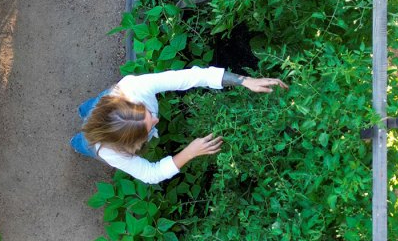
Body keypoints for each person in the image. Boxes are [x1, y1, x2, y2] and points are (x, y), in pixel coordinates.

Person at [72, 66, 287, 184]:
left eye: (148, 113)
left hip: (109, 100)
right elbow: (150, 174)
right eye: (149, 128)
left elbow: (193, 76)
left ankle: (86, 110)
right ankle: (75, 142)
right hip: (102, 124)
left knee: (93, 108)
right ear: (128, 144)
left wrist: (244, 81)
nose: (156, 120)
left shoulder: (135, 87)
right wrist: (189, 152)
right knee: (85, 140)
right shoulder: (110, 152)